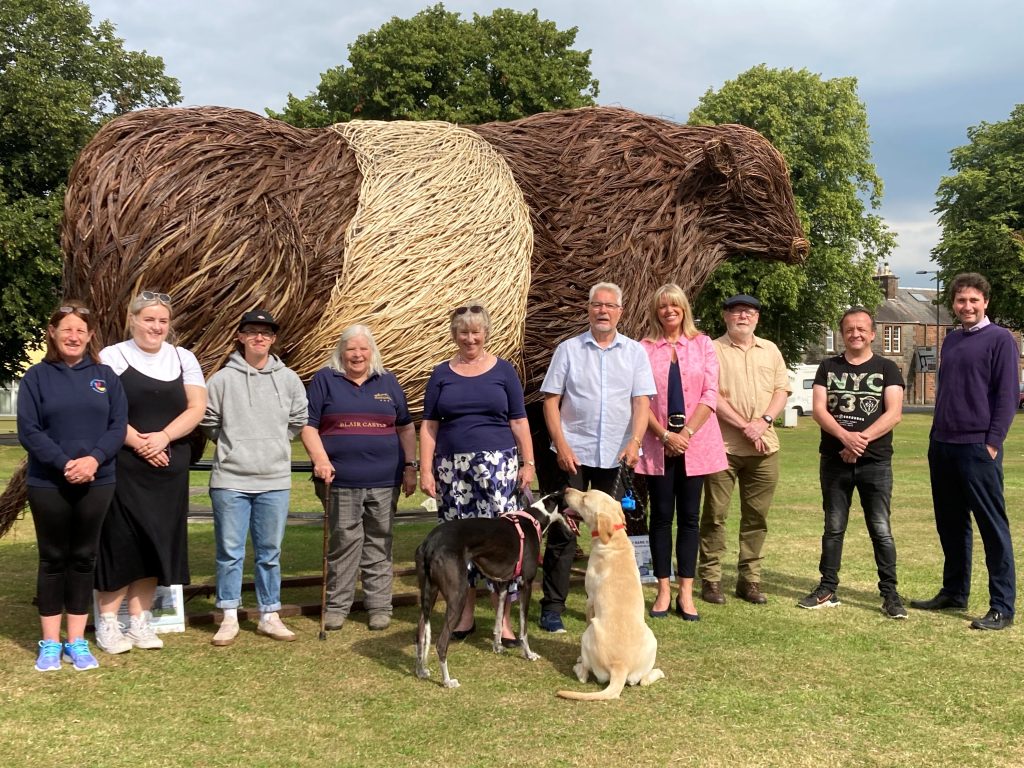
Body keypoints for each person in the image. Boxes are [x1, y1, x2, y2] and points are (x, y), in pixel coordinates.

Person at [538, 283, 655, 633]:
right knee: (564, 532)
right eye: (596, 305)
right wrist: (561, 443)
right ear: (588, 310)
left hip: (615, 459)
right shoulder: (568, 350)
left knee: (609, 536)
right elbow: (550, 400)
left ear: (620, 311)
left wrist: (635, 441)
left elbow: (641, 403)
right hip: (573, 455)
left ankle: (606, 605)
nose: (603, 311)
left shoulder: (634, 352)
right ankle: (552, 607)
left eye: (610, 306)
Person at [94, 291, 207, 653]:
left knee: (156, 543)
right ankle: (109, 624)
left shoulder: (184, 358)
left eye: (162, 320)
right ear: (133, 319)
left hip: (169, 468)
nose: (156, 327)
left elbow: (196, 408)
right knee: (120, 543)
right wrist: (139, 443)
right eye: (149, 319)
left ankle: (140, 623)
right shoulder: (113, 357)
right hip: (125, 466)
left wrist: (163, 438)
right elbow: (105, 409)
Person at [17, 302, 128, 671]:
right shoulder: (36, 377)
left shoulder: (106, 376)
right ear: (52, 332)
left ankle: (77, 642)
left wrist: (94, 460)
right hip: (49, 482)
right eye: (66, 328)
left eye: (80, 329)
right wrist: (64, 464)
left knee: (84, 558)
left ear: (90, 335)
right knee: (53, 559)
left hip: (98, 481)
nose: (73, 336)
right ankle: (50, 644)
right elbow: (29, 430)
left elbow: (117, 426)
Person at [419, 303, 536, 644]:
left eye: (476, 331)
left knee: (500, 544)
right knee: (459, 543)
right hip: (453, 472)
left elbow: (519, 420)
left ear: (486, 333)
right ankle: (464, 616)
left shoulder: (504, 372)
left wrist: (528, 463)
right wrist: (425, 469)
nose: (470, 338)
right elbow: (429, 425)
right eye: (463, 332)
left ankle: (503, 622)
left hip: (497, 468)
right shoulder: (441, 374)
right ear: (454, 335)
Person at [911, 273, 1018, 630]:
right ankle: (955, 591)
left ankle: (1002, 605)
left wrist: (992, 441)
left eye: (973, 300)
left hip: (978, 446)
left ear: (985, 302)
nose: (966, 306)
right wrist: (935, 434)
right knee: (951, 525)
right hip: (942, 444)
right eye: (960, 301)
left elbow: (1006, 395)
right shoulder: (952, 340)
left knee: (992, 527)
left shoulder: (1001, 339)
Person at [201, 309, 308, 646]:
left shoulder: (289, 379)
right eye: (252, 331)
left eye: (266, 332)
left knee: (269, 552)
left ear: (273, 339)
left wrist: (273, 444)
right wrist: (236, 446)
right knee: (230, 552)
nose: (259, 337)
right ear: (241, 337)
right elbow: (209, 422)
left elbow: (298, 419)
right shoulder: (221, 380)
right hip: (230, 479)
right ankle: (229, 615)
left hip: (274, 479)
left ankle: (269, 615)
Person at [303, 324, 417, 633]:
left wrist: (410, 466)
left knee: (380, 543)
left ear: (372, 352)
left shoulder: (388, 382)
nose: (357, 354)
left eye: (363, 348)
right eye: (351, 348)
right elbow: (308, 425)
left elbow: (406, 427)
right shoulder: (325, 379)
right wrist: (321, 459)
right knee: (343, 542)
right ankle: (338, 606)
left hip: (385, 479)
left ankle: (379, 606)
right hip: (340, 480)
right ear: (341, 351)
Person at [797, 307, 906, 617]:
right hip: (834, 461)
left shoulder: (888, 368)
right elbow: (819, 410)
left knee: (881, 529)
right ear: (842, 334)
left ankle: (890, 594)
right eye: (849, 329)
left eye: (862, 329)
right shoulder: (827, 367)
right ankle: (827, 588)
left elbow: (893, 413)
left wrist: (859, 442)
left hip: (875, 462)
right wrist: (846, 438)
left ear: (872, 334)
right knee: (833, 527)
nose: (855, 333)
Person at [636, 284, 727, 621]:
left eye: (674, 305)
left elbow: (710, 393)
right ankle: (662, 589)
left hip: (695, 442)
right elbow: (639, 399)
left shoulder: (702, 344)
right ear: (656, 311)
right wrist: (664, 435)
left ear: (684, 309)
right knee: (660, 519)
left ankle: (686, 592)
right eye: (662, 306)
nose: (668, 311)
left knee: (689, 519)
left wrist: (685, 433)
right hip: (656, 443)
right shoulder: (644, 348)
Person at [699, 294, 789, 605]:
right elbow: (710, 395)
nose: (743, 316)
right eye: (736, 311)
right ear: (725, 316)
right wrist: (745, 426)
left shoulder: (771, 350)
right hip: (722, 448)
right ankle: (710, 579)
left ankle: (749, 580)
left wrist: (763, 422)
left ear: (757, 319)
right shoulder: (711, 348)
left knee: (756, 518)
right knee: (714, 516)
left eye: (749, 312)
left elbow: (781, 390)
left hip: (765, 449)